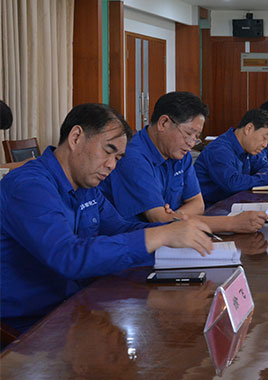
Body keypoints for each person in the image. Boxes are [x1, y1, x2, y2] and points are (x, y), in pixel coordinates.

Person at [0, 104, 213, 333]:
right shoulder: (29, 186)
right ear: (76, 137)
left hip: (80, 306)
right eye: (107, 151)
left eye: (118, 158)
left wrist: (173, 231)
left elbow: (120, 228)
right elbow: (68, 257)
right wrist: (160, 235)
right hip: (32, 326)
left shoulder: (87, 186)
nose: (111, 165)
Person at [101, 92, 265, 233]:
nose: (191, 143)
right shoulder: (133, 157)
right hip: (138, 244)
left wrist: (175, 216)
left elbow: (197, 204)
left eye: (196, 137)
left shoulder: (179, 152)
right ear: (164, 123)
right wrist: (232, 223)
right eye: (188, 134)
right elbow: (160, 220)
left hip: (174, 235)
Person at [195, 109, 268, 204]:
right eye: (264, 138)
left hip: (235, 203)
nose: (265, 145)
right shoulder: (219, 149)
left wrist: (264, 175)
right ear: (249, 128)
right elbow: (232, 183)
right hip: (212, 208)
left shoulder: (248, 149)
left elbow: (265, 166)